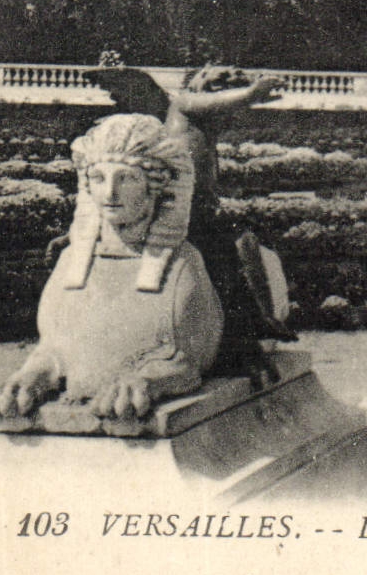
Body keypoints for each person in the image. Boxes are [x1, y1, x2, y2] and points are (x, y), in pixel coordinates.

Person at [0, 114, 223, 423]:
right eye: (98, 178)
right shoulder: (70, 260)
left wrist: (149, 382)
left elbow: (187, 360)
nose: (110, 193)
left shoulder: (181, 264)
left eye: (127, 178)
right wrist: (31, 375)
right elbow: (53, 350)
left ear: (155, 186)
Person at [83, 64, 294, 385]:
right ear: (193, 83)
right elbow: (216, 101)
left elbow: (222, 106)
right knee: (229, 259)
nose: (221, 84)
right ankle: (248, 338)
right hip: (183, 212)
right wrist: (250, 94)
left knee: (242, 247)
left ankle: (259, 322)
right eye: (214, 77)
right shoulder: (183, 105)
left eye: (228, 82)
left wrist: (249, 97)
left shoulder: (203, 123)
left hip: (200, 211)